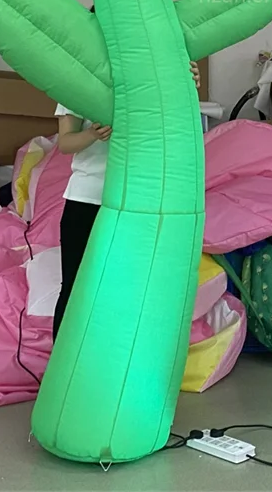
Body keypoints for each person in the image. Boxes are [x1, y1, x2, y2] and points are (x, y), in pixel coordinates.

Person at [53, 43, 202, 341]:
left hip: (134, 200)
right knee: (75, 284)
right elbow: (64, 143)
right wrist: (91, 135)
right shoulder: (75, 82)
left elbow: (174, 124)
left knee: (129, 287)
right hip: (87, 198)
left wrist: (186, 83)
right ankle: (63, 368)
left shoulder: (147, 80)